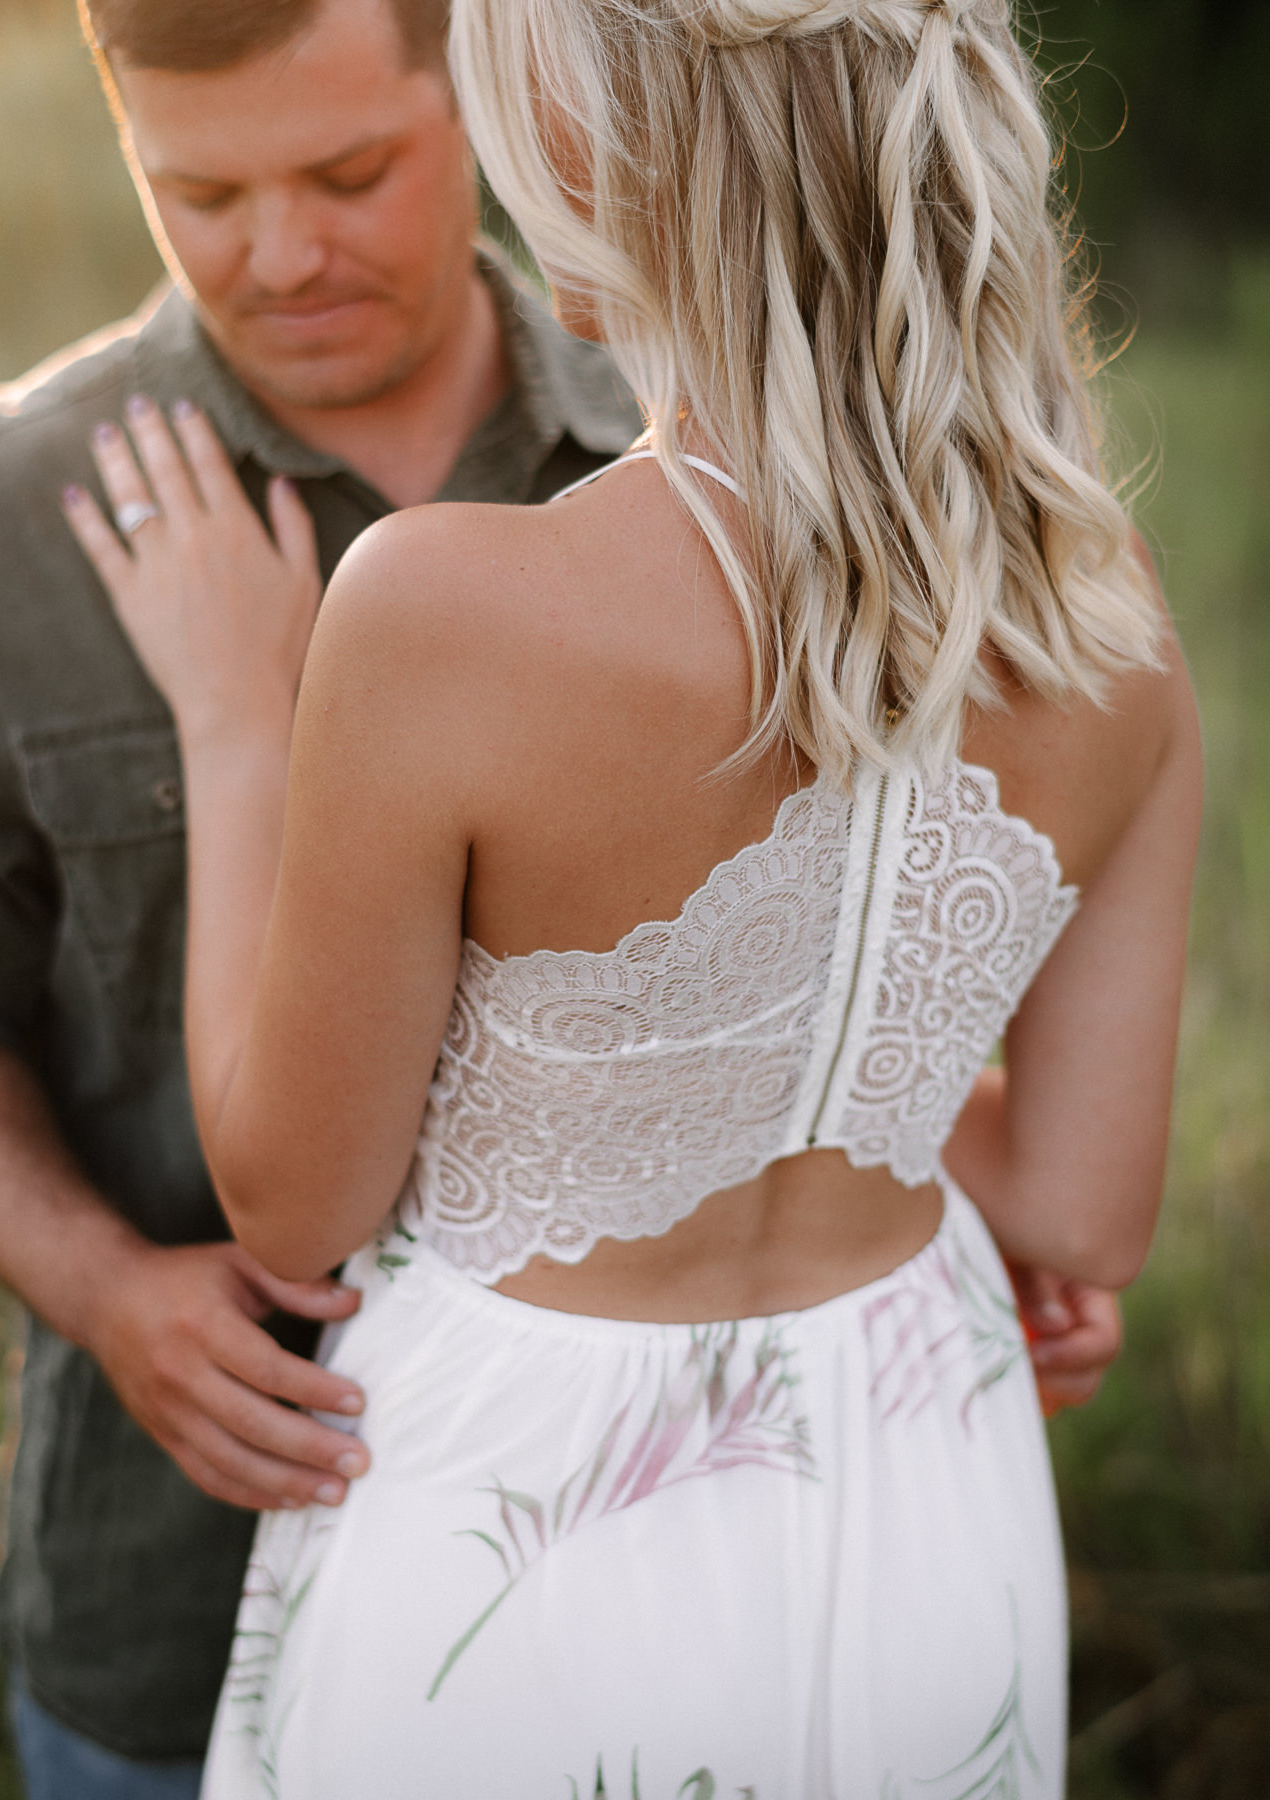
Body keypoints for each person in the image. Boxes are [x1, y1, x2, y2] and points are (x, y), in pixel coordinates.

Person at [62, 0, 1202, 1792]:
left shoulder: (445, 610)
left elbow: (294, 1200)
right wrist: (848, 1061)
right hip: (919, 1477)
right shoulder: (1109, 607)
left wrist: (232, 725)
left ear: (597, 156)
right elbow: (1080, 1209)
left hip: (536, 1524)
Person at [0, 0, 644, 1791]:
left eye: (348, 172)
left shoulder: (686, 465)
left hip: (636, 1590)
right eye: (200, 193)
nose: (283, 253)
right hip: (180, 1609)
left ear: (474, 101)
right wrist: (104, 1290)